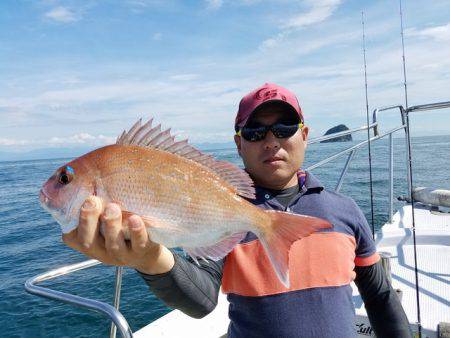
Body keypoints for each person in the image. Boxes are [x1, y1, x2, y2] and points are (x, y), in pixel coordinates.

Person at [63, 83, 412, 337]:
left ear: (305, 135)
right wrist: (149, 259)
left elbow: (379, 295)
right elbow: (200, 301)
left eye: (285, 128)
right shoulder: (229, 211)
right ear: (239, 144)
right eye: (256, 131)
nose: (272, 140)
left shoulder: (345, 211)